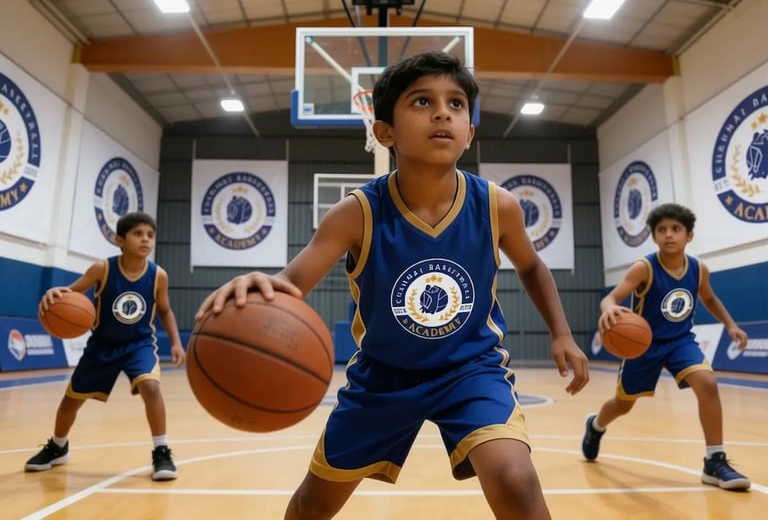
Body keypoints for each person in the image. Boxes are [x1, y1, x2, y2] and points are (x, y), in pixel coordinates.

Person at [196, 50, 589, 519]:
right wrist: (261, 283)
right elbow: (290, 285)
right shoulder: (355, 214)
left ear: (469, 134)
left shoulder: (496, 206)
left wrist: (561, 333)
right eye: (421, 102)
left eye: (456, 104)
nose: (443, 111)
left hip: (471, 369)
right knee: (311, 506)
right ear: (385, 132)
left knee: (516, 479)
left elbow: (531, 266)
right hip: (382, 377)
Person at [582, 203, 750, 491]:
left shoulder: (698, 270)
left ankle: (714, 461)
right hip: (642, 346)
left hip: (680, 341)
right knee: (623, 405)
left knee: (707, 383)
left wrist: (731, 325)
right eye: (662, 230)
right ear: (654, 236)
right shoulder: (644, 268)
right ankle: (596, 425)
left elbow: (709, 299)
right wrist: (608, 309)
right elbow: (612, 298)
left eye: (676, 229)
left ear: (689, 236)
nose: (669, 235)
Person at [26, 211, 186, 481]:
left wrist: (176, 343)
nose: (145, 240)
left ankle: (162, 451)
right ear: (119, 240)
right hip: (102, 345)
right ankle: (58, 446)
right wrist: (53, 292)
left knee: (151, 386)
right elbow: (71, 293)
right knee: (71, 402)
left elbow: (166, 311)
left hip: (139, 344)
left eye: (150, 235)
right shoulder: (103, 268)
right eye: (138, 234)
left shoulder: (159, 275)